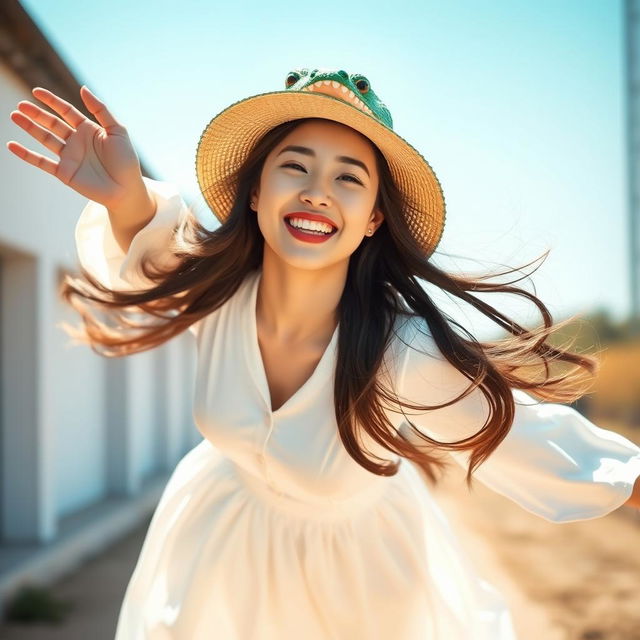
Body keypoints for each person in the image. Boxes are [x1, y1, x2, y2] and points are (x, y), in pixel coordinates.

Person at [7, 67, 640, 640]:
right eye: (295, 165)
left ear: (372, 221)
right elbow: (153, 246)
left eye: (348, 178)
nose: (317, 191)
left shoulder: (402, 351)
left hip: (359, 581)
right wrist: (124, 197)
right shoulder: (220, 295)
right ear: (255, 193)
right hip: (215, 549)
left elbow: (534, 439)